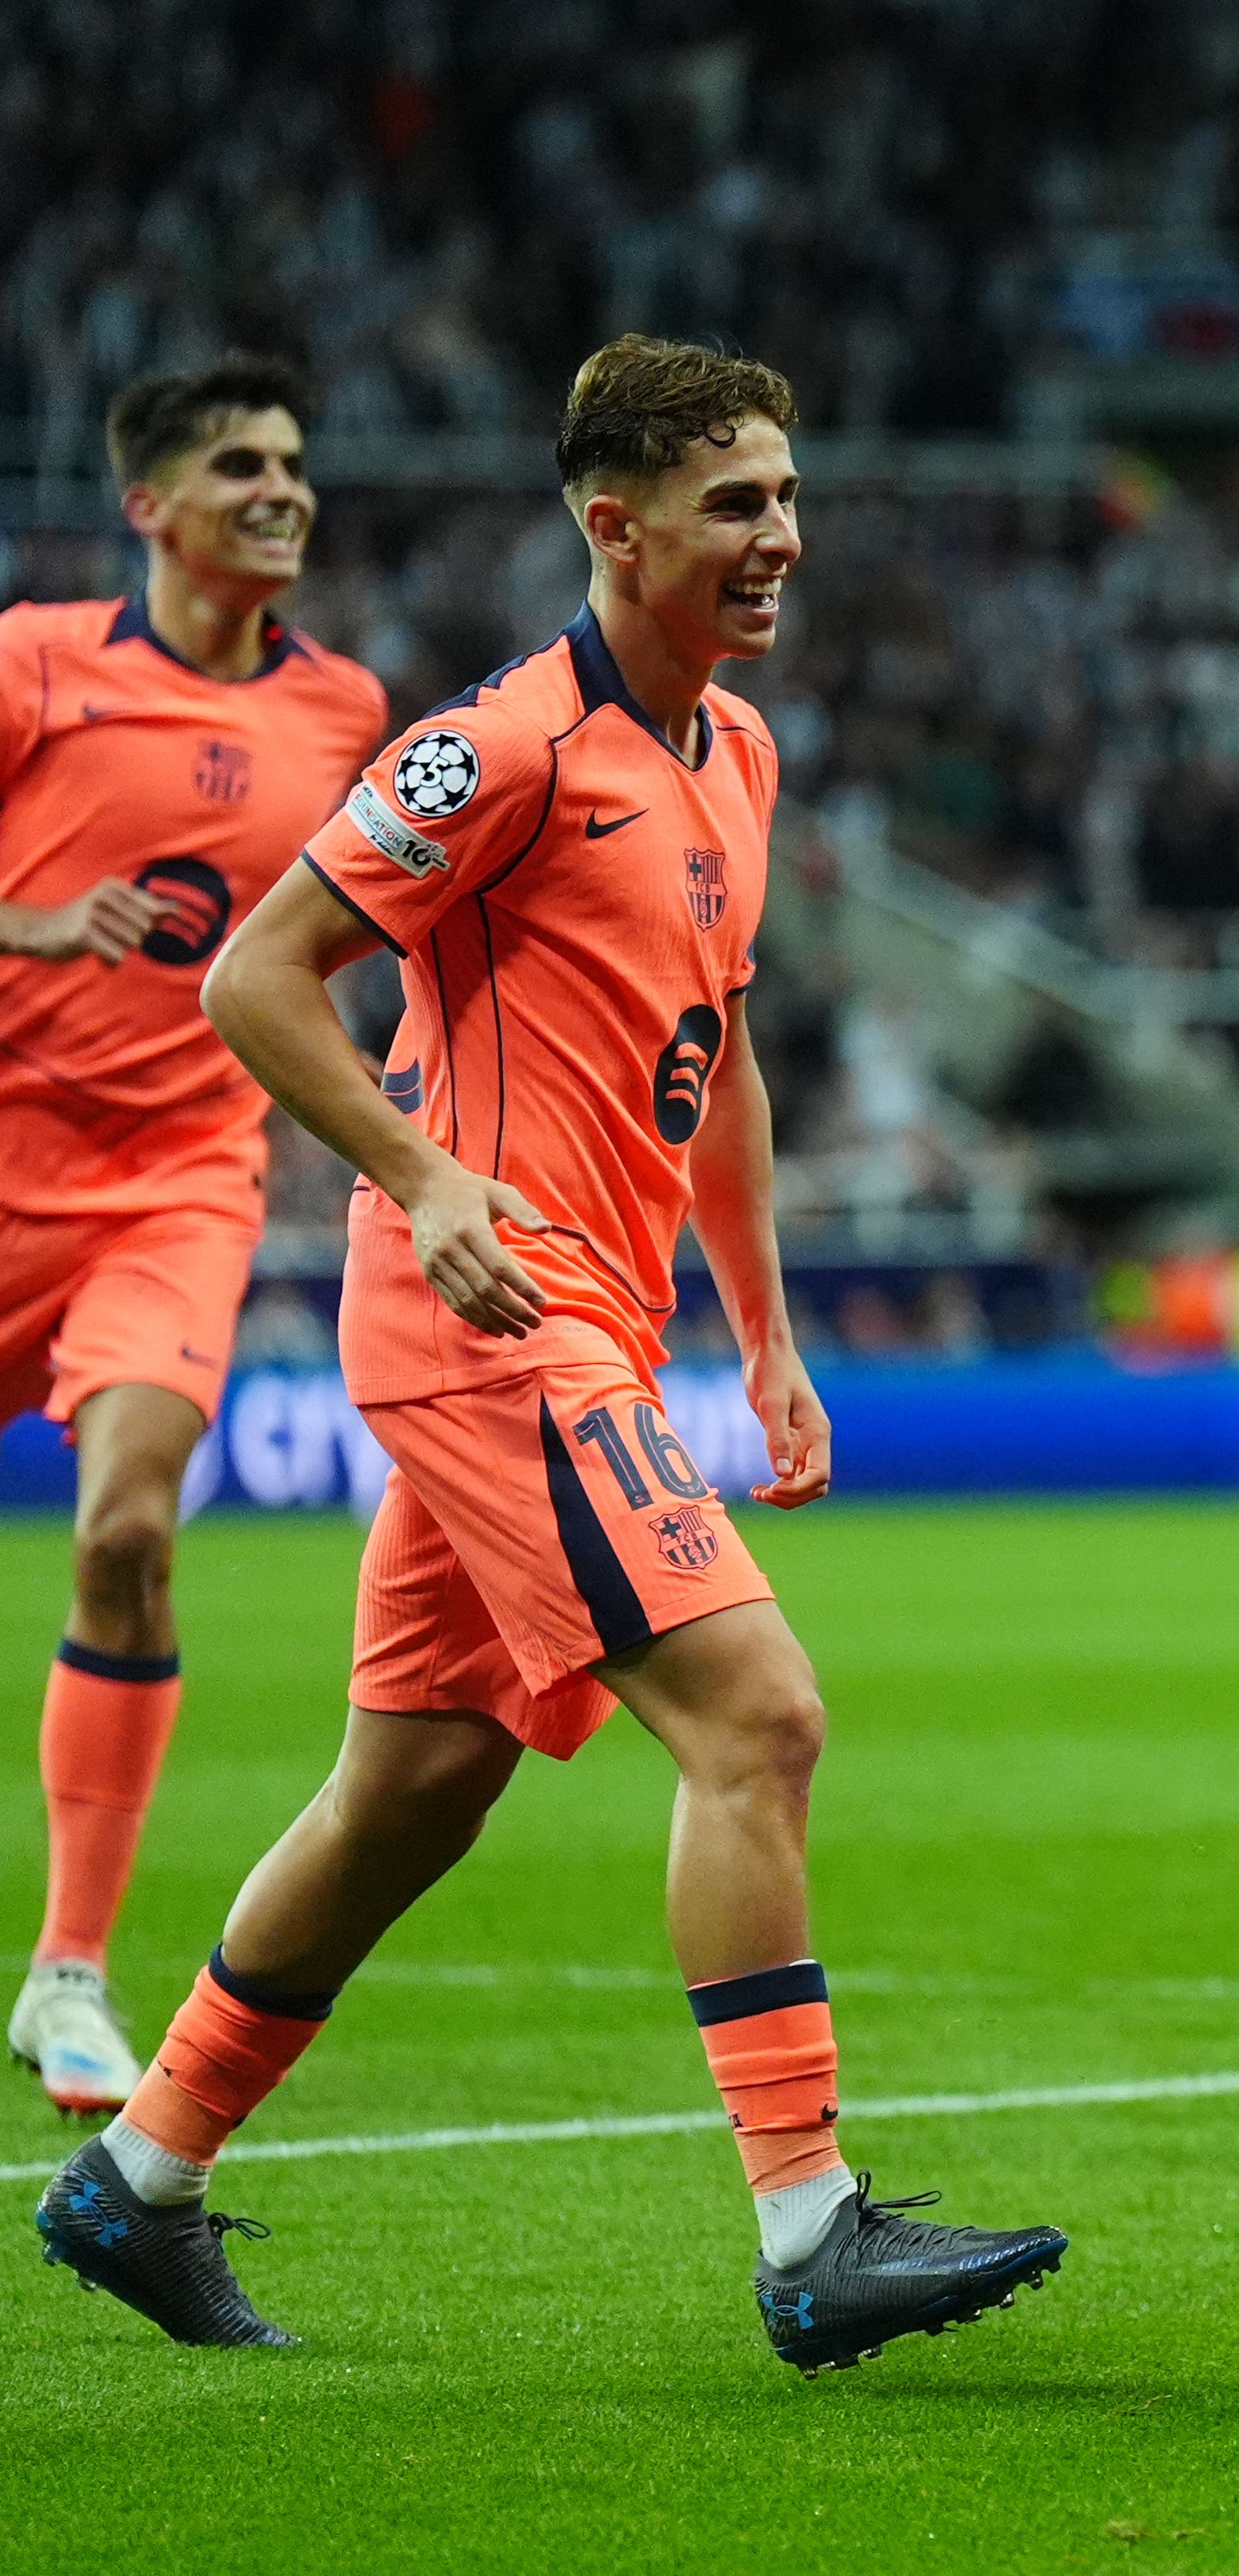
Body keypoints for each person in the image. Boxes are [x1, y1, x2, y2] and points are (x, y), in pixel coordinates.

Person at [30, 336, 1066, 2369]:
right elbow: (262, 976)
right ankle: (809, 2227)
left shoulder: (737, 754)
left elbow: (723, 1049)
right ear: (617, 525)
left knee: (413, 1784)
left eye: (788, 497)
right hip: (491, 1312)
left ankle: (134, 2183)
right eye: (740, 505)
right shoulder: (499, 744)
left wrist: (768, 1337)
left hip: (602, 1305)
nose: (784, 538)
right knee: (756, 1718)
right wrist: (421, 1177)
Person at [0, 358, 387, 2117]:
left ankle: (68, 1973)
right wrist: (33, 918)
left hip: (174, 1180)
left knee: (129, 1535)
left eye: (293, 462)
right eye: (239, 464)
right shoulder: (38, 663)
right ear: (147, 506)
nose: (279, 488)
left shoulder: (345, 711)